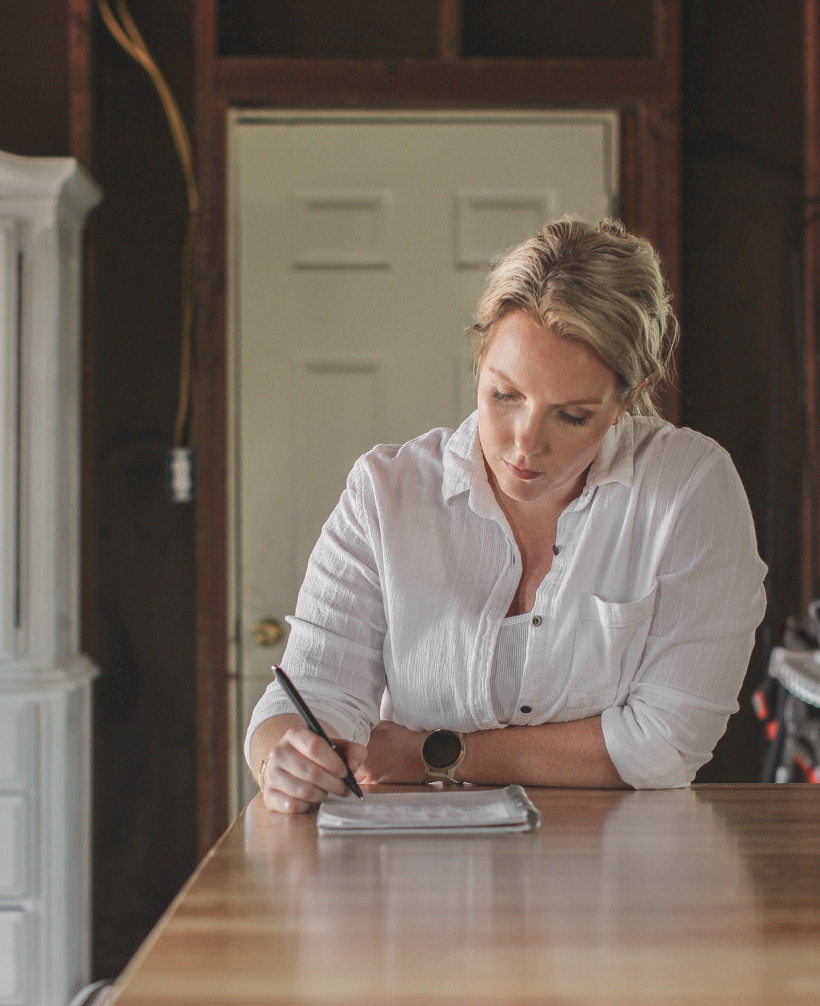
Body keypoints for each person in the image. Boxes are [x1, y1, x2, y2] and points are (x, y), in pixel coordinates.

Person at [246, 216, 766, 813]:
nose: (525, 444)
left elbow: (666, 743)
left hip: (615, 880)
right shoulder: (385, 493)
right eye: (505, 396)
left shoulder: (687, 487)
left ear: (627, 397)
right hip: (418, 879)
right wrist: (283, 758)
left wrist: (433, 753)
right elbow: (308, 694)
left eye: (571, 415)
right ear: (480, 353)